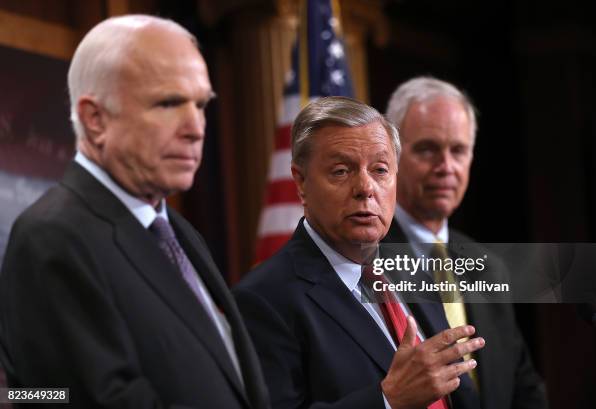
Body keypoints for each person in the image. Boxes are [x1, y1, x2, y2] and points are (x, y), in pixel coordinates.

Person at [0, 15, 268, 409]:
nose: (196, 128)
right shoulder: (53, 237)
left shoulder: (176, 230)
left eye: (201, 104)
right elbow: (82, 400)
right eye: (169, 102)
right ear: (95, 120)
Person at [234, 96, 486, 409]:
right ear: (300, 183)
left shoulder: (412, 270)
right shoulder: (263, 299)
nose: (365, 187)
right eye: (341, 171)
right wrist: (387, 401)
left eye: (380, 169)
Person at [384, 76, 548, 408]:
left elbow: (523, 388)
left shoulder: (488, 266)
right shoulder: (362, 261)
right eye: (427, 149)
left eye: (458, 150)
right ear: (392, 155)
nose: (446, 167)